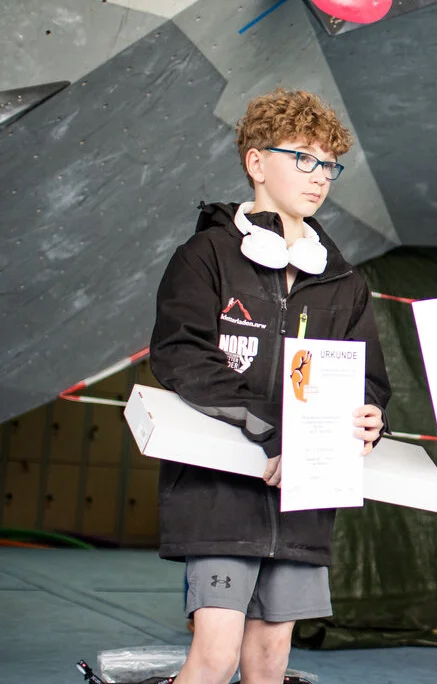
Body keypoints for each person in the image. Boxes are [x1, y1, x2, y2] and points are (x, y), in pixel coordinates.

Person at [149, 89, 391, 684]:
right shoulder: (206, 256)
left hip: (304, 498)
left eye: (329, 163)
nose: (319, 176)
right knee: (215, 656)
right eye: (303, 159)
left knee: (270, 663)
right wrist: (270, 429)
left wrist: (370, 416)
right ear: (257, 163)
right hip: (221, 494)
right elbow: (180, 357)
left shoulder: (344, 283)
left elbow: (370, 381)